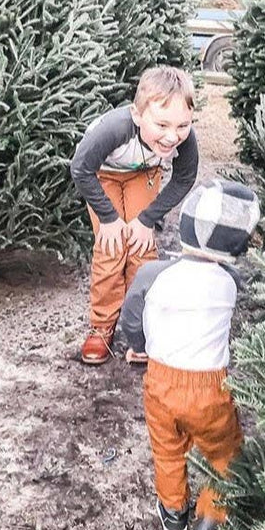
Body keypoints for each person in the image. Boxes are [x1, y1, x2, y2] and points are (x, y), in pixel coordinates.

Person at [118, 177, 260, 530]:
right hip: (208, 388)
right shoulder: (231, 282)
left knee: (166, 449)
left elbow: (131, 318)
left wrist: (140, 346)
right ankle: (210, 525)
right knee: (225, 454)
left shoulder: (152, 274)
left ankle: (174, 515)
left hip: (160, 381)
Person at [70, 66, 198, 365]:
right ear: (138, 115)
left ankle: (142, 327)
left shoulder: (184, 139)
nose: (172, 136)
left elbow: (183, 179)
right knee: (111, 247)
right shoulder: (114, 128)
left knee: (141, 247)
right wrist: (110, 219)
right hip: (100, 175)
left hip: (143, 172)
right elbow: (80, 169)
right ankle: (102, 326)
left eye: (182, 125)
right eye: (162, 124)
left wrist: (145, 220)